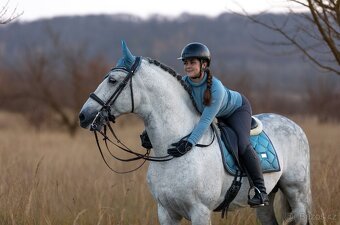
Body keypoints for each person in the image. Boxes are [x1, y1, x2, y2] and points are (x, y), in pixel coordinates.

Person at [140, 42, 269, 207]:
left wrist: (189, 143)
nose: (187, 66)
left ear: (204, 64)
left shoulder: (216, 88)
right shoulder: (183, 83)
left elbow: (205, 120)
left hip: (236, 111)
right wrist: (147, 132)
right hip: (215, 114)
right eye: (185, 63)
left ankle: (260, 190)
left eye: (192, 62)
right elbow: (169, 111)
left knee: (243, 144)